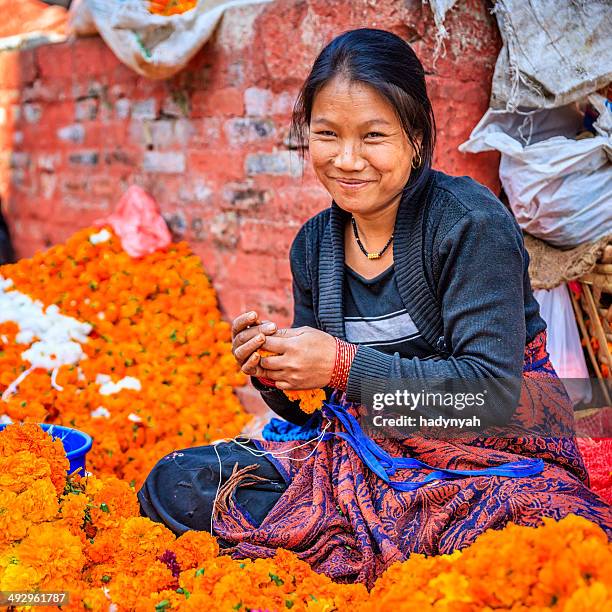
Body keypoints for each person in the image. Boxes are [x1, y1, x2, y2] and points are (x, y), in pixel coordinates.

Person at [138, 28, 611, 587]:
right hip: (358, 458)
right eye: (327, 134)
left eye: (373, 136)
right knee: (176, 483)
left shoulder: (469, 224)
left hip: (487, 459)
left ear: (415, 137)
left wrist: (341, 365)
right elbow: (326, 404)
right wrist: (276, 369)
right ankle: (375, 548)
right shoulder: (313, 246)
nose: (347, 159)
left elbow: (491, 397)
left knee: (531, 542)